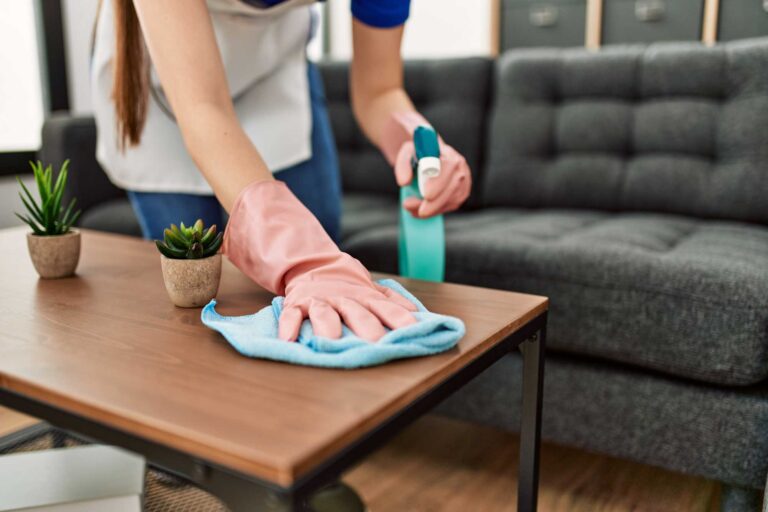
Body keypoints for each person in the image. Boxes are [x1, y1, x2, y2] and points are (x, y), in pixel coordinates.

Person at [91, 0, 472, 342]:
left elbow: (379, 89)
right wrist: (306, 260)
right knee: (192, 291)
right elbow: (204, 108)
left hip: (272, 68)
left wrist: (413, 138)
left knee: (323, 283)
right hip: (166, 80)